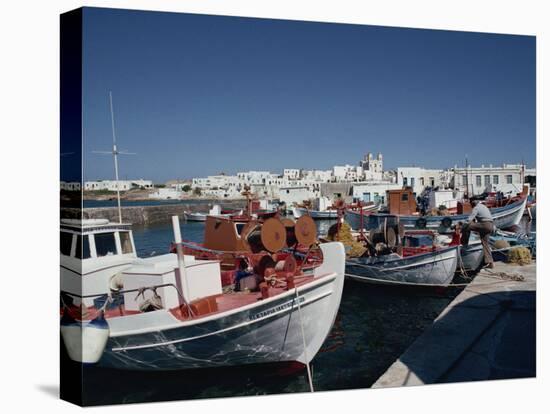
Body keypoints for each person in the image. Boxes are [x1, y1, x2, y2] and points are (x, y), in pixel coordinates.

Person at [461, 199, 495, 268]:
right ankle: (491, 262)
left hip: (484, 225)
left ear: (472, 204)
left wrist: (462, 225)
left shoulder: (476, 208)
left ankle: (464, 244)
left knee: (467, 227)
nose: (471, 206)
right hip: (491, 225)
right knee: (485, 244)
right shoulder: (484, 206)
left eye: (471, 205)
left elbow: (469, 220)